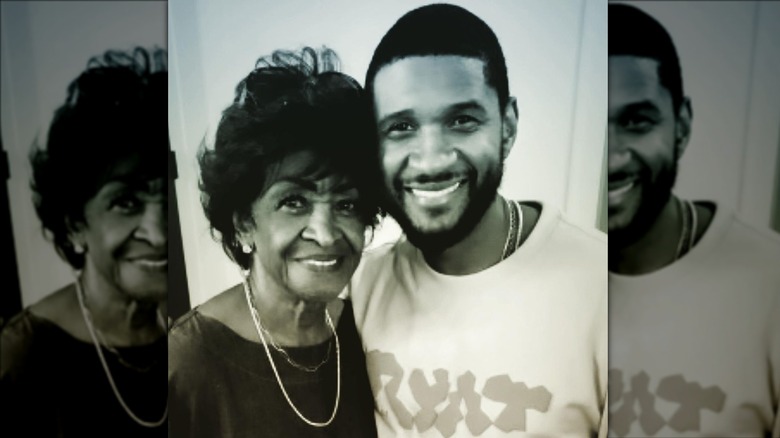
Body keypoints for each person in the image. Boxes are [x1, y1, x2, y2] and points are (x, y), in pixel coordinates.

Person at [345, 4, 607, 437]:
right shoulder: (361, 284)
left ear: (507, 124)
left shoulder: (608, 289)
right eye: (402, 126)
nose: (430, 160)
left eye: (462, 120)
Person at [167, 47, 380, 437]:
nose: (326, 233)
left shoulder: (368, 333)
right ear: (244, 222)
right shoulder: (186, 363)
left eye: (346, 203)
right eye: (293, 202)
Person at [607, 4, 780, 437]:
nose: (609, 158)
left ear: (681, 126)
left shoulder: (769, 281)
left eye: (635, 121)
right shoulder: (539, 278)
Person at [0, 48, 168, 436]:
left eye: (166, 202)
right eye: (125, 201)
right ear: (75, 224)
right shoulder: (21, 359)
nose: (157, 234)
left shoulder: (186, 337)